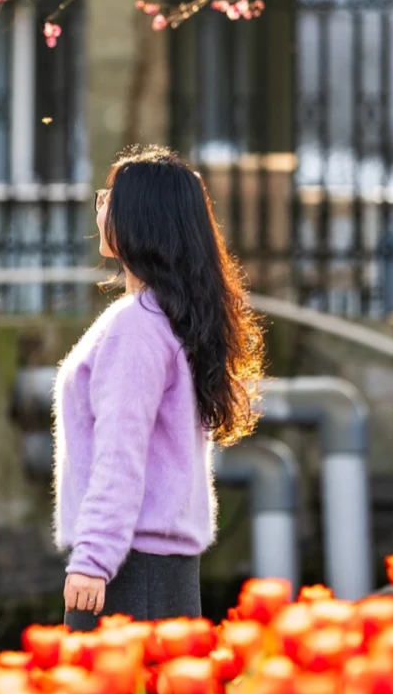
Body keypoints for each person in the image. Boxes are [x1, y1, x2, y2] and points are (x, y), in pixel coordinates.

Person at [53, 145, 264, 629]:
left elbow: (120, 453)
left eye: (110, 197)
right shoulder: (165, 317)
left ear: (140, 218)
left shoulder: (137, 326)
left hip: (129, 569)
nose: (100, 206)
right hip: (158, 569)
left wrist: (92, 560)